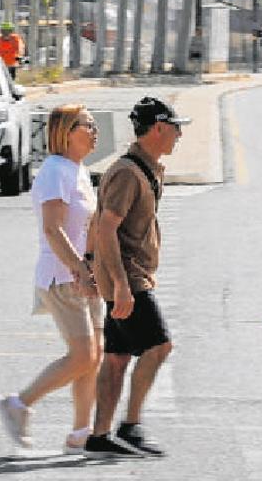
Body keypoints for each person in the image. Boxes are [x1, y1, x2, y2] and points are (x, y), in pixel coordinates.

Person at [84, 96, 189, 459]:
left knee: (116, 358)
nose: (179, 135)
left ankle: (99, 435)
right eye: (176, 128)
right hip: (127, 278)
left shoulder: (146, 168)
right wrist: (121, 286)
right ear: (158, 128)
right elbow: (106, 229)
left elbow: (98, 223)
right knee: (159, 346)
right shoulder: (128, 173)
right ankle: (130, 427)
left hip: (127, 276)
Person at [0, 104, 102, 454]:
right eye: (88, 124)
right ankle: (20, 403)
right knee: (82, 356)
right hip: (63, 276)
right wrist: (79, 270)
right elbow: (53, 229)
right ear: (67, 131)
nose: (95, 130)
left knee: (93, 356)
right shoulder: (54, 171)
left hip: (85, 275)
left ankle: (81, 432)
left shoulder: (78, 170)